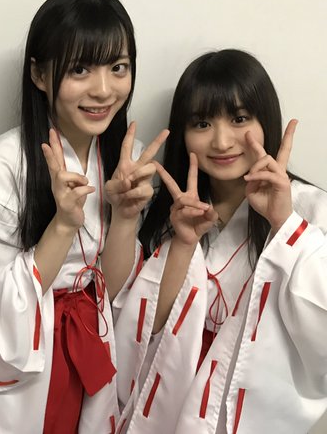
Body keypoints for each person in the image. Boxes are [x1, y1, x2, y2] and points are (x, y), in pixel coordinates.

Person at [0, 0, 167, 434]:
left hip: (92, 353)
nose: (103, 90)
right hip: (23, 371)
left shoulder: (127, 161)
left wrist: (125, 216)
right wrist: (63, 225)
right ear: (40, 74)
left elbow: (113, 292)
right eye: (80, 69)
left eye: (118, 67)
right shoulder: (1, 166)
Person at [115, 49, 327, 433]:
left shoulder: (311, 211)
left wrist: (285, 225)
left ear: (266, 121)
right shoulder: (165, 211)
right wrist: (183, 244)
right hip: (169, 409)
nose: (222, 140)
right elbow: (142, 334)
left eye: (240, 119)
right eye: (202, 123)